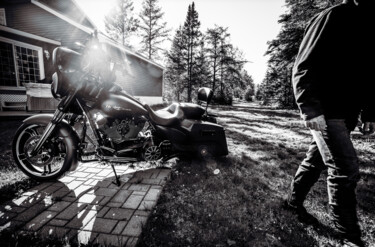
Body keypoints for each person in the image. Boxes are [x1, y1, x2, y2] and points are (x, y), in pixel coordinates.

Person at [285, 0, 375, 246]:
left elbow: (368, 75)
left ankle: (292, 204)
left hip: (346, 113)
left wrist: (368, 113)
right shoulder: (333, 17)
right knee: (345, 169)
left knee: (314, 162)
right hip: (326, 111)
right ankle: (349, 238)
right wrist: (310, 109)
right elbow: (303, 66)